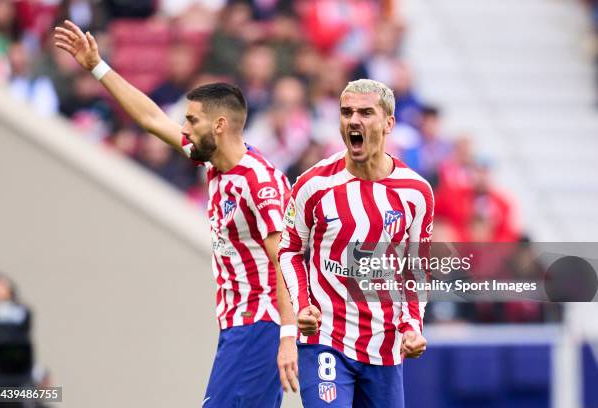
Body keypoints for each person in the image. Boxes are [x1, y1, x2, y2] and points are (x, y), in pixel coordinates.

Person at [53, 20, 298, 406]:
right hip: (239, 323)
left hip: (259, 325)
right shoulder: (215, 161)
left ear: (219, 126)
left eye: (191, 120)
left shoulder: (258, 182)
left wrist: (287, 337)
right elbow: (152, 120)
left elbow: (285, 261)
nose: (183, 127)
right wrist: (98, 67)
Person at [279, 79, 433, 407]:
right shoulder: (312, 185)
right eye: (346, 112)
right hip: (326, 340)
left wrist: (412, 325)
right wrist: (301, 304)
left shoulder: (416, 192)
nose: (354, 121)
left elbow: (416, 267)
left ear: (388, 123)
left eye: (365, 112)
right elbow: (289, 249)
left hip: (385, 344)